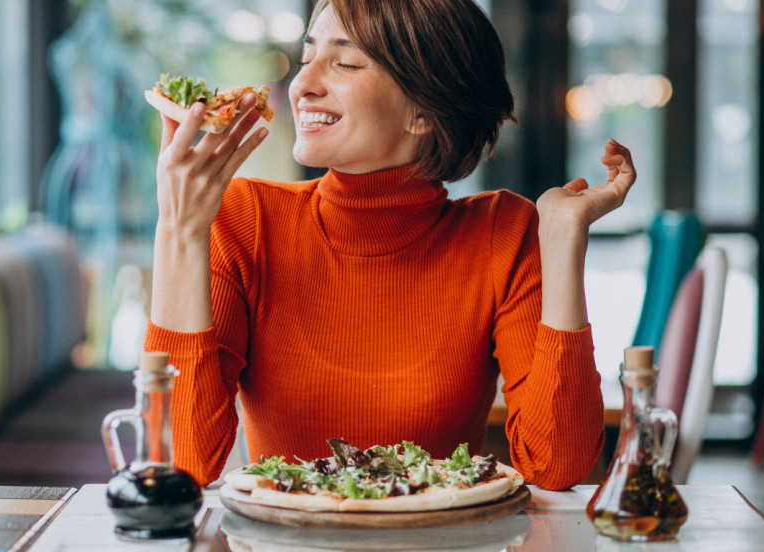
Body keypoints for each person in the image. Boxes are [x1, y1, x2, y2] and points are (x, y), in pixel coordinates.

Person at [145, 0, 635, 491]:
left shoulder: (503, 232)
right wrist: (179, 231)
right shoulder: (244, 218)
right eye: (306, 57)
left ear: (423, 111)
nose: (302, 84)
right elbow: (182, 461)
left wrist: (563, 239)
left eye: (345, 62)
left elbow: (558, 463)